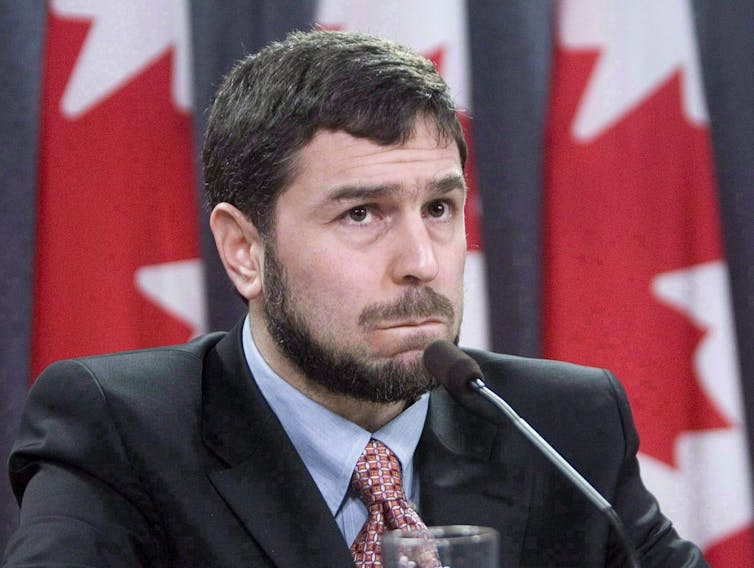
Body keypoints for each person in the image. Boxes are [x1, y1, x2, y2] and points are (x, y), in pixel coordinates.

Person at [3, 30, 707, 567]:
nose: (421, 263)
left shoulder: (565, 426)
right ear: (244, 250)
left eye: (439, 207)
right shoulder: (120, 434)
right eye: (361, 214)